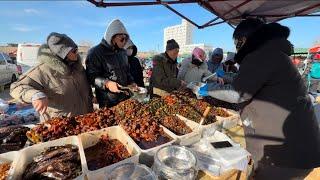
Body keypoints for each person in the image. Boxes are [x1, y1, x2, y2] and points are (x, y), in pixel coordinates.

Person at [198, 19, 320, 178]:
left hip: (284, 154)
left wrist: (209, 89)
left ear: (247, 38)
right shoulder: (272, 54)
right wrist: (227, 77)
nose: (237, 45)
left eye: (238, 41)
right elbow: (248, 80)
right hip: (296, 147)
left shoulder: (262, 55)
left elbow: (238, 93)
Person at [10, 32, 93, 122]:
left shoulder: (78, 68)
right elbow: (16, 87)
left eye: (77, 49)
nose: (77, 53)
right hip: (60, 126)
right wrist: (35, 95)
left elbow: (86, 89)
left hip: (85, 122)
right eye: (74, 51)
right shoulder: (42, 70)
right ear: (62, 54)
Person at [85, 19, 137, 108]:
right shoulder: (95, 52)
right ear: (112, 37)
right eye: (122, 39)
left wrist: (132, 82)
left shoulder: (123, 53)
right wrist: (107, 83)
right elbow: (91, 76)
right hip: (107, 101)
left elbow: (127, 71)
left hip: (125, 98)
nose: (124, 42)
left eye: (126, 39)